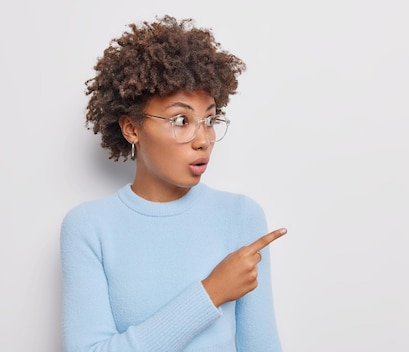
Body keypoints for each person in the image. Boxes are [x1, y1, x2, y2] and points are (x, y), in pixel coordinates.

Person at [60, 15, 287, 352]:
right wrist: (211, 292)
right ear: (131, 128)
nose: (203, 140)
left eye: (209, 119)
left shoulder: (241, 216)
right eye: (181, 120)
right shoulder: (89, 228)